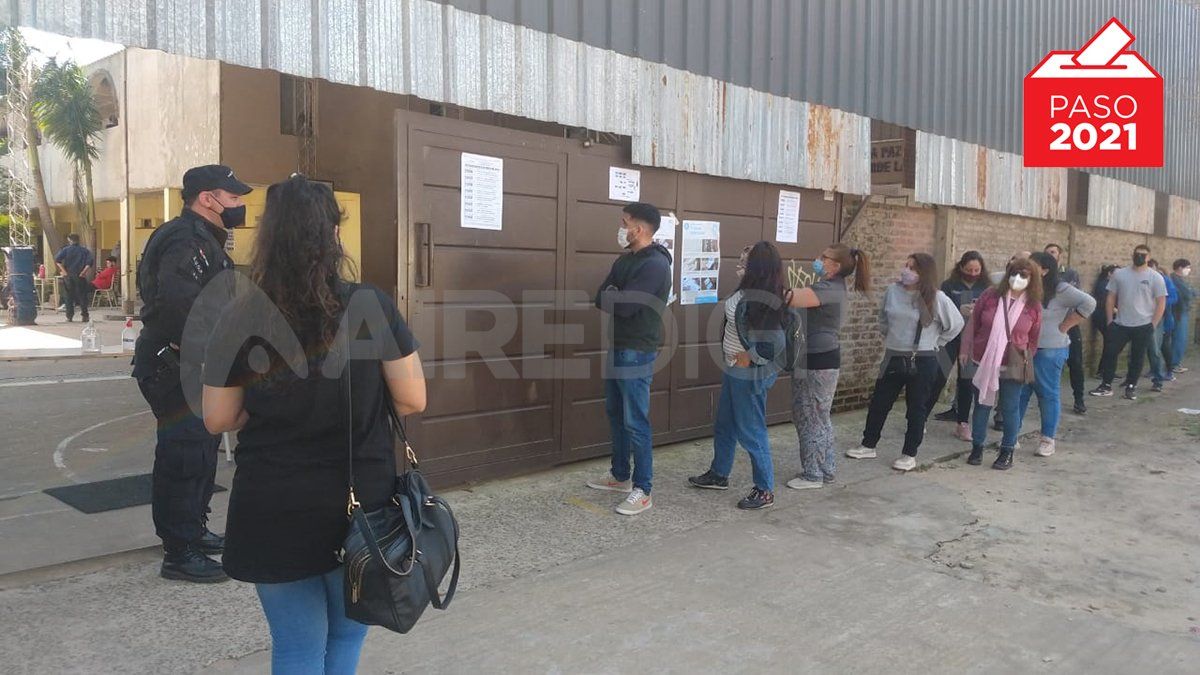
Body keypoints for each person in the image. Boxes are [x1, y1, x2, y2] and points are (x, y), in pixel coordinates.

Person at [202, 176, 424, 674]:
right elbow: (411, 399)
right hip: (360, 501)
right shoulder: (371, 305)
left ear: (268, 236)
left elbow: (218, 416)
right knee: (345, 639)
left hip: (273, 503)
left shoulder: (239, 312)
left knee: (297, 646)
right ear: (334, 234)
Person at [134, 164, 251, 582]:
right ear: (207, 198)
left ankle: (193, 531)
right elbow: (178, 305)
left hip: (193, 364)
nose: (238, 205)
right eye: (232, 197)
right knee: (183, 454)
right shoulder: (188, 240)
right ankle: (179, 551)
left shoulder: (203, 238)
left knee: (200, 451)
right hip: (176, 365)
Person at [687, 241, 787, 509]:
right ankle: (719, 474)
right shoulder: (747, 290)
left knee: (751, 430)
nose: (739, 263)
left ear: (759, 266)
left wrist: (749, 357)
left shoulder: (763, 298)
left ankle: (765, 490)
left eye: (746, 259)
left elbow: (775, 343)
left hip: (750, 373)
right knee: (725, 424)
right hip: (735, 369)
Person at [587, 202, 672, 516]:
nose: (620, 228)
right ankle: (620, 475)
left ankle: (644, 489)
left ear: (639, 229)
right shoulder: (626, 261)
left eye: (624, 223)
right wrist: (615, 294)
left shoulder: (655, 266)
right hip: (619, 344)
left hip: (638, 348)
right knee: (615, 412)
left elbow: (624, 306)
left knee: (636, 420)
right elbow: (601, 297)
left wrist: (615, 294)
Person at [846, 253, 963, 472]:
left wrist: (937, 341)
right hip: (893, 355)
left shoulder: (937, 298)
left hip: (923, 358)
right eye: (906, 265)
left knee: (916, 408)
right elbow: (883, 318)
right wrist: (890, 336)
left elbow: (956, 324)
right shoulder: (892, 291)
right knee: (879, 402)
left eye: (913, 268)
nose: (906, 271)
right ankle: (868, 444)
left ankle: (909, 453)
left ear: (924, 273)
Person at [780, 243, 871, 489]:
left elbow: (790, 298)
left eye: (824, 257)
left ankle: (813, 475)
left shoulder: (829, 288)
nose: (818, 259)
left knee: (811, 416)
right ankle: (826, 469)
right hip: (814, 358)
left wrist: (764, 279)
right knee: (815, 416)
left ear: (836, 265)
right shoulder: (832, 287)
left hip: (818, 360)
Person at [964, 257, 1043, 470]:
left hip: (1013, 362)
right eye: (1015, 273)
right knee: (981, 404)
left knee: (1009, 407)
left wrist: (1025, 357)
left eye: (1024, 275)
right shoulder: (990, 296)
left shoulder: (1033, 306)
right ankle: (977, 446)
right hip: (984, 358)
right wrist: (966, 350)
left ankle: (1007, 450)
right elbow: (975, 323)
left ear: (1032, 279)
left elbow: (1034, 338)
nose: (1018, 278)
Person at [1017, 253, 1095, 457]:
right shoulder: (1023, 285)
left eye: (1032, 266)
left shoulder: (1061, 290)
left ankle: (1047, 439)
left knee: (1047, 394)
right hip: (1023, 348)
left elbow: (1089, 303)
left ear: (1045, 270)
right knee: (1020, 393)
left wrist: (1067, 324)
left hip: (1050, 348)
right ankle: (1012, 434)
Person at [1090, 244, 1167, 401]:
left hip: (1143, 324)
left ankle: (1131, 386)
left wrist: (1153, 323)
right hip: (1121, 323)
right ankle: (1106, 385)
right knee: (1110, 353)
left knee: (1137, 358)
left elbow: (1161, 302)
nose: (1139, 256)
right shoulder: (1120, 274)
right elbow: (1111, 297)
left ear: (1148, 257)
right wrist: (1110, 319)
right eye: (1137, 254)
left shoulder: (1155, 277)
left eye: (1143, 254)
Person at [930, 251, 990, 440]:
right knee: (937, 377)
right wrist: (958, 310)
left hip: (972, 340)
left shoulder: (987, 287)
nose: (973, 273)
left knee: (966, 382)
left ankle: (962, 423)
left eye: (977, 270)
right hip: (949, 337)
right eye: (969, 269)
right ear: (961, 267)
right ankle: (920, 417)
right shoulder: (949, 285)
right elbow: (939, 310)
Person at [1043, 243, 1087, 414]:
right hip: (1049, 326)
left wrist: (1069, 322)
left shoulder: (1069, 274)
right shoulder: (1041, 276)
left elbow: (1079, 300)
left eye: (1053, 252)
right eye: (1047, 253)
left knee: (1075, 362)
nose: (1051, 255)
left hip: (1068, 323)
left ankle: (1079, 399)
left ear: (1060, 255)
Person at [1144, 259, 1178, 392]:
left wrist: (1159, 302)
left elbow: (1173, 297)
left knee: (1163, 347)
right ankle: (1153, 370)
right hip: (1146, 319)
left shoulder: (1164, 280)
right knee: (1150, 348)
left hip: (1164, 319)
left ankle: (1169, 371)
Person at [54, 233, 95, 322]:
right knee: (82, 296)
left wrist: (64, 271)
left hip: (68, 275)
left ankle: (69, 316)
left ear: (69, 240)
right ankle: (85, 315)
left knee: (68, 296)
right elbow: (89, 262)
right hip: (80, 275)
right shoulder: (84, 251)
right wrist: (83, 272)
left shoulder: (66, 250)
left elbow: (57, 260)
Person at [1090, 264, 1118, 377]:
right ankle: (1104, 371)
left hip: (1105, 316)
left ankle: (1106, 370)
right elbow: (1104, 301)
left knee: (1110, 344)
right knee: (1111, 344)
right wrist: (1116, 310)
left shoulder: (1109, 284)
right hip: (1102, 316)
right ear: (1109, 274)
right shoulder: (1104, 285)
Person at [1168, 259, 1194, 373]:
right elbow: (1188, 293)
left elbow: (1191, 291)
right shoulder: (1175, 280)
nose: (1189, 270)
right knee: (1179, 339)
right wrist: (1192, 292)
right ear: (1180, 267)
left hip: (1180, 311)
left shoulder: (1179, 280)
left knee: (1178, 339)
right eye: (1187, 267)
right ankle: (1174, 363)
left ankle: (1174, 362)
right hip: (1178, 312)